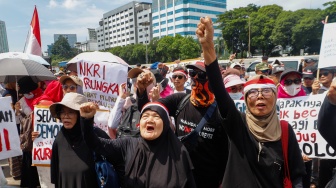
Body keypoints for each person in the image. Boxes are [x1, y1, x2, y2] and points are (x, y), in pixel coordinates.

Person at [196, 16, 305, 187]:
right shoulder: (238, 124)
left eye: (266, 92)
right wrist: (208, 46)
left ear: (275, 97)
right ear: (246, 99)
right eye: (253, 92)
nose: (260, 96)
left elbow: (297, 174)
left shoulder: (284, 130)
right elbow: (218, 89)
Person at [136, 60, 229, 187]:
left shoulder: (221, 112)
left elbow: (225, 153)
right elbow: (149, 109)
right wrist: (141, 91)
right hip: (180, 176)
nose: (195, 78)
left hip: (208, 180)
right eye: (192, 73)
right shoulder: (180, 100)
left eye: (201, 75)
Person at [80, 101, 196, 187]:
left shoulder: (179, 153)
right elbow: (96, 143)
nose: (149, 120)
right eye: (145, 116)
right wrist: (87, 120)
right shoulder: (128, 145)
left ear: (165, 124)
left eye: (156, 116)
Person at [49, 93, 111, 188]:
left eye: (70, 112)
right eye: (62, 112)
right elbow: (56, 176)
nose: (66, 116)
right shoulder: (59, 139)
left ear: (80, 114)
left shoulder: (97, 136)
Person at [15, 76, 42, 188]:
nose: (26, 94)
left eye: (27, 91)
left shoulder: (44, 97)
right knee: (30, 167)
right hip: (29, 139)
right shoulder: (21, 101)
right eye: (24, 92)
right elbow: (19, 122)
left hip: (43, 138)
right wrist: (17, 111)